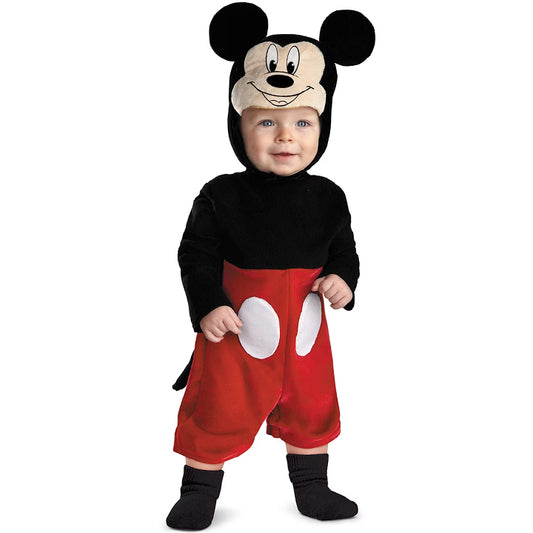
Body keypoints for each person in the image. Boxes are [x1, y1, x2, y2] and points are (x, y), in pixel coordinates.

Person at [166, 3, 375, 530]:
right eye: (266, 121)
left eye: (302, 122)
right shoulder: (221, 195)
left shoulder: (329, 197)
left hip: (305, 337)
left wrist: (343, 279)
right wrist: (208, 305)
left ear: (322, 128)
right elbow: (195, 253)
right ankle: (199, 491)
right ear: (238, 126)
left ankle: (312, 487)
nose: (286, 136)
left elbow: (345, 249)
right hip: (235, 332)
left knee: (313, 407)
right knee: (217, 407)